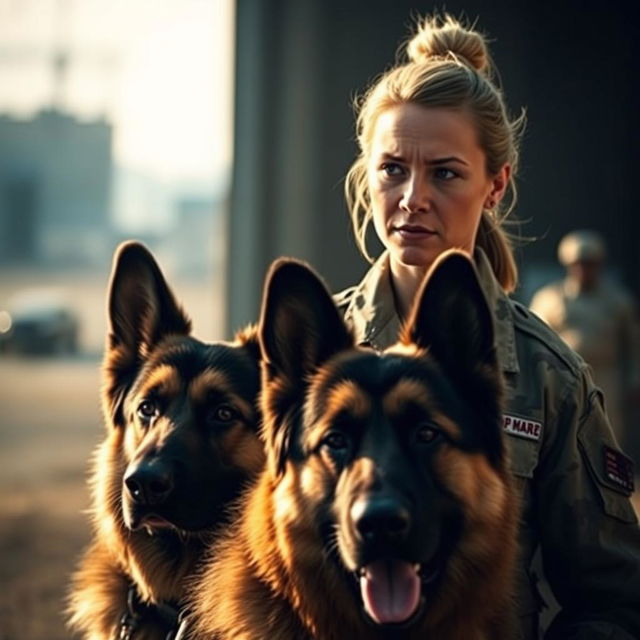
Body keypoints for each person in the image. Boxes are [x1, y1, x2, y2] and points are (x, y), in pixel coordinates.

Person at [334, 14, 640, 640]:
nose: (413, 197)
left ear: (495, 184)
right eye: (392, 169)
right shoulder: (312, 350)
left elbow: (611, 597)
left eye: (444, 173)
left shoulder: (547, 376)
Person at [530, 230, 640, 449]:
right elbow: (533, 343)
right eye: (578, 264)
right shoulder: (550, 299)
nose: (583, 269)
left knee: (608, 436)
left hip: (606, 377)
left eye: (589, 263)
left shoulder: (618, 301)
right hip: (563, 381)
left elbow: (633, 345)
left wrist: (634, 380)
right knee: (565, 437)